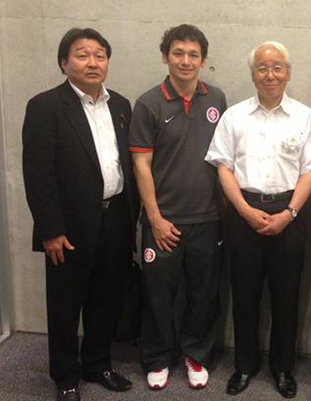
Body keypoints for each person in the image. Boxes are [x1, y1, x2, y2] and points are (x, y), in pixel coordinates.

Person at [205, 41, 311, 399]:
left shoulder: (305, 117)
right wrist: (244, 210)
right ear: (253, 74)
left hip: (291, 213)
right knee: (244, 294)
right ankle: (244, 365)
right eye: (262, 68)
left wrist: (289, 214)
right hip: (243, 212)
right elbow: (223, 168)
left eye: (277, 67)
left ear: (288, 73)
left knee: (287, 296)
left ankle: (283, 367)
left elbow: (310, 172)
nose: (270, 74)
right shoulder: (234, 117)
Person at [22, 28, 138, 401]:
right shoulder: (45, 107)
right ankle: (66, 377)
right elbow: (38, 174)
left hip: (115, 217)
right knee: (65, 304)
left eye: (100, 55)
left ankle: (98, 364)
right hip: (68, 226)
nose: (92, 62)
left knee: (106, 297)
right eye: (82, 54)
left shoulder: (120, 105)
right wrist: (50, 229)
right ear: (64, 63)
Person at [129, 24, 226, 391]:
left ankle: (196, 354)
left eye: (193, 54)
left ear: (203, 60)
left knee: (203, 294)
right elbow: (141, 164)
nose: (186, 61)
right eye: (178, 53)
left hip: (207, 219)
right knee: (158, 294)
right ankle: (157, 357)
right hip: (162, 221)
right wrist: (155, 218)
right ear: (165, 57)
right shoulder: (148, 103)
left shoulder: (217, 100)